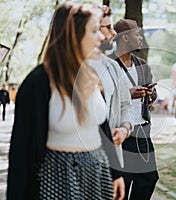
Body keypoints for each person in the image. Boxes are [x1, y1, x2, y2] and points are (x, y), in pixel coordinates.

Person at [7, 3, 123, 199]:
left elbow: (101, 127)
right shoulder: (38, 83)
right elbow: (21, 154)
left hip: (97, 174)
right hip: (59, 177)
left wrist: (116, 173)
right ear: (74, 35)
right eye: (94, 31)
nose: (102, 37)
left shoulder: (91, 75)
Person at [109, 19, 159, 200]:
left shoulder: (142, 65)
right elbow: (99, 98)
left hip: (142, 132)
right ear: (124, 38)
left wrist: (151, 94)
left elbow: (152, 96)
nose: (140, 38)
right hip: (119, 133)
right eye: (136, 34)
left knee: (149, 178)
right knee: (121, 183)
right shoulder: (107, 64)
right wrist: (128, 94)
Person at [88, 5, 134, 168]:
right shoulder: (68, 70)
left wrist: (125, 129)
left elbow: (126, 105)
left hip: (109, 158)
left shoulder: (113, 67)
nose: (113, 33)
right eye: (107, 27)